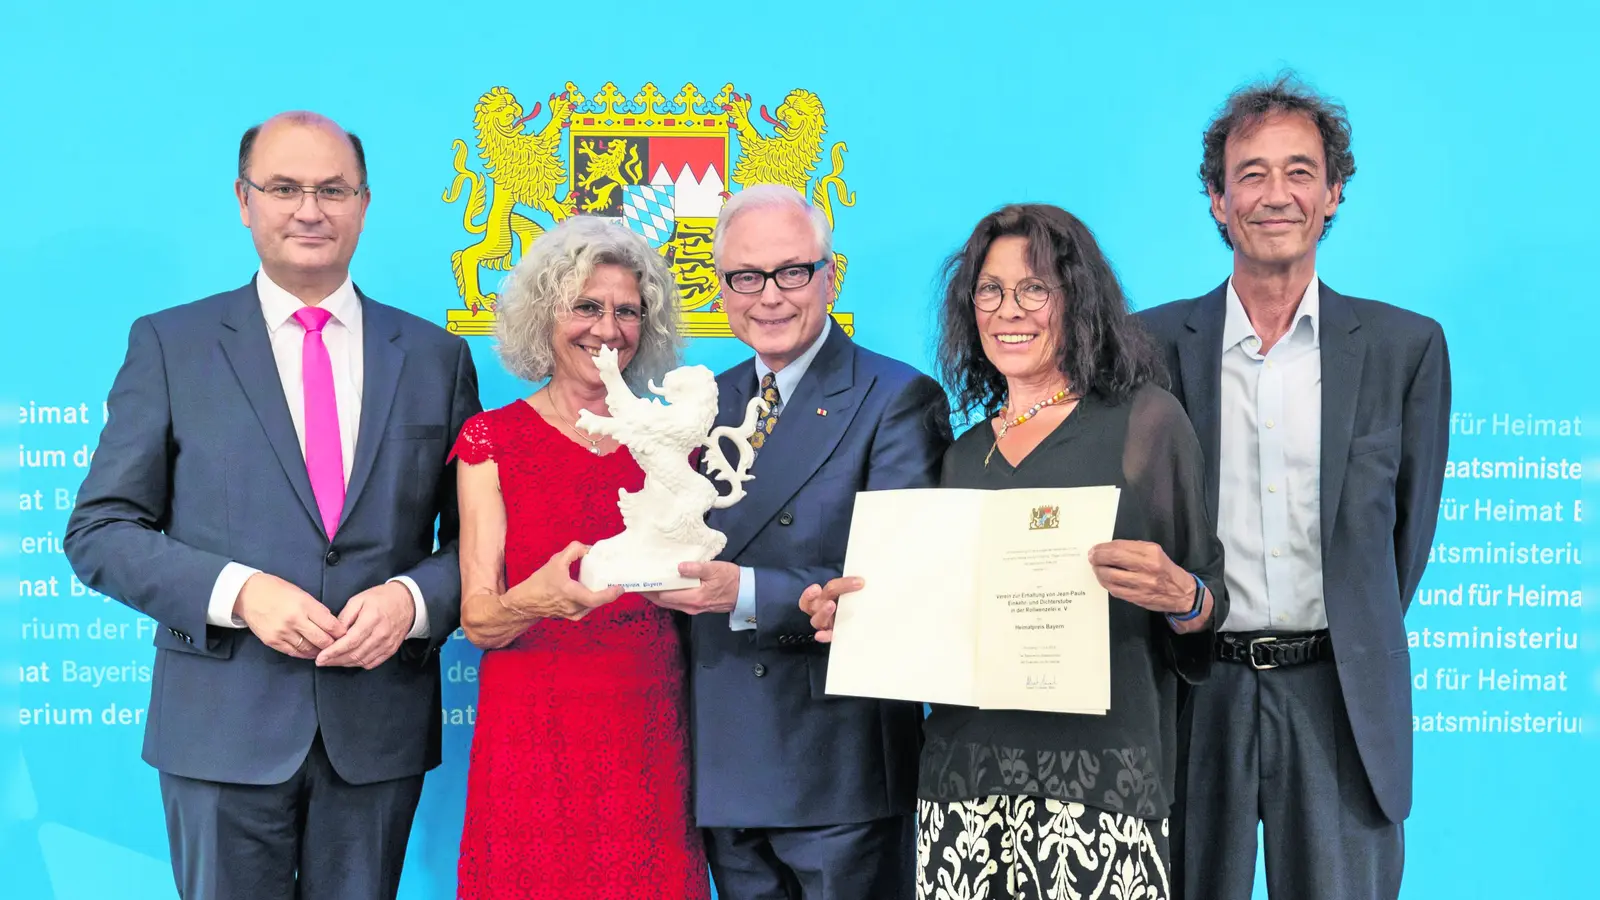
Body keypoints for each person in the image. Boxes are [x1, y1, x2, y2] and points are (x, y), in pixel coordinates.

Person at [62, 111, 481, 900]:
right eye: (284, 188)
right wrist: (240, 593)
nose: (309, 209)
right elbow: (101, 531)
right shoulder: (170, 345)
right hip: (220, 730)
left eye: (332, 189)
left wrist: (411, 600)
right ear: (244, 200)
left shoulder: (436, 356)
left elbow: (477, 546)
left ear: (364, 202)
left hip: (376, 732)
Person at [802, 203, 1227, 900]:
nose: (1010, 310)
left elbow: (1206, 601)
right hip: (963, 790)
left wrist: (1184, 597)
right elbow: (935, 619)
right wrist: (854, 621)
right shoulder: (961, 454)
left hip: (1100, 790)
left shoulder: (1146, 424)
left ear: (1077, 300)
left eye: (1034, 288)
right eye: (991, 290)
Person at [1136, 73, 1451, 900]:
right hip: (1194, 691)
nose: (1277, 195)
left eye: (1300, 171)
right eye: (1252, 173)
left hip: (1339, 699)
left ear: (1334, 193)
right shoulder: (1150, 346)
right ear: (1216, 200)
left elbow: (1401, 548)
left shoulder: (1403, 347)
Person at [641, 184, 951, 900]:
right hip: (723, 759)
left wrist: (743, 592)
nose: (769, 296)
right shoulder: (704, 403)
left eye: (791, 272)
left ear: (830, 275)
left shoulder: (895, 398)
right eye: (745, 277)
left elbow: (897, 581)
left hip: (838, 768)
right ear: (720, 289)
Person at [448, 215, 709, 899]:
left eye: (627, 311)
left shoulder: (676, 445)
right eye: (586, 307)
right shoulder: (491, 439)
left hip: (648, 726)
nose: (608, 328)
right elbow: (478, 618)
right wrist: (537, 599)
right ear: (544, 316)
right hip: (532, 730)